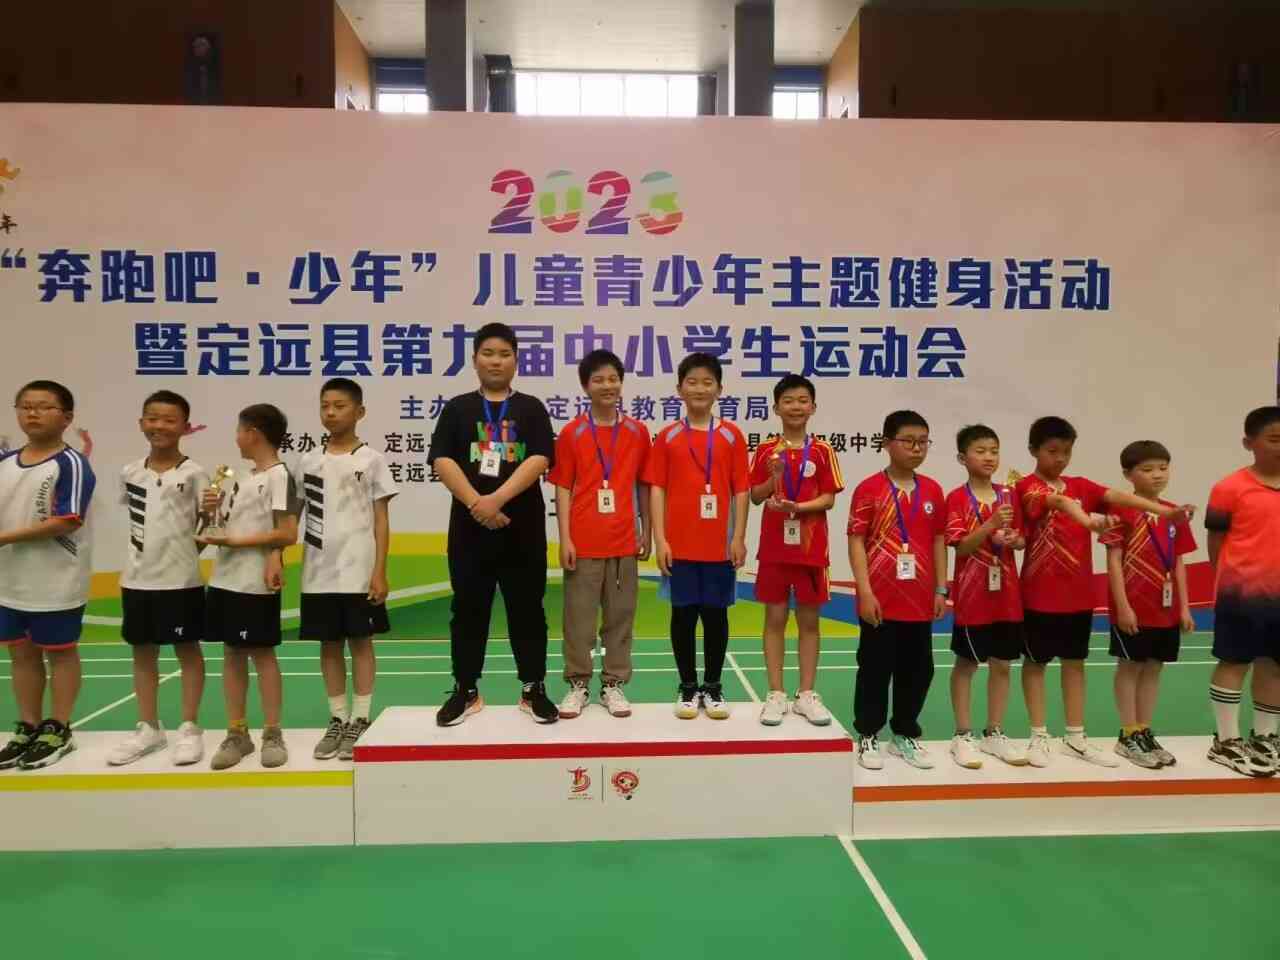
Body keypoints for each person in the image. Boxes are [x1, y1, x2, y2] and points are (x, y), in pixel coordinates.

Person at [1017, 416, 1193, 767]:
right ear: (1034, 450)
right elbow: (1060, 503)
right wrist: (1088, 521)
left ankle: (1075, 737)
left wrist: (1165, 510)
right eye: (1052, 451)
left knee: (1075, 664)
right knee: (1035, 664)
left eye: (1066, 452)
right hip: (1038, 594)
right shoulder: (1025, 487)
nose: (1060, 458)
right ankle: (1038, 735)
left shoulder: (1082, 485)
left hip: (1079, 595)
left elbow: (1119, 496)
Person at [428, 323, 558, 726]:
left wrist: (496, 500)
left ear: (516, 361)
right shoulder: (457, 408)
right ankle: (465, 689)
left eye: (504, 354)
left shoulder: (532, 408)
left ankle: (533, 688)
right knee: (468, 610)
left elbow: (540, 458)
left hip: (523, 531)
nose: (496, 361)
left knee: (528, 610)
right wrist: (477, 504)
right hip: (469, 532)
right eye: (488, 353)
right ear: (474, 360)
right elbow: (442, 460)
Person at [107, 390, 209, 767]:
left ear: (185, 427)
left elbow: (207, 527)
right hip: (137, 580)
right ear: (141, 423)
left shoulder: (195, 473)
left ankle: (190, 728)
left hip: (182, 582)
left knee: (188, 652)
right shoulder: (130, 472)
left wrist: (183, 554)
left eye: (169, 420)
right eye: (152, 418)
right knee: (142, 653)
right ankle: (149, 728)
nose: (159, 425)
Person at [645, 352, 749, 720]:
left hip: (719, 546)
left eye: (708, 382)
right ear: (679, 389)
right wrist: (660, 540)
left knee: (716, 617)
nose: (700, 388)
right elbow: (656, 489)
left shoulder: (732, 436)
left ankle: (714, 686)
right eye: (692, 382)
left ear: (720, 389)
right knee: (683, 617)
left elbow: (741, 490)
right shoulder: (668, 437)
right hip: (680, 545)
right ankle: (688, 686)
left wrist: (738, 537)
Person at [298, 378, 397, 761]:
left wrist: (379, 570)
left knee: (361, 643)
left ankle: (361, 718)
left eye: (339, 406)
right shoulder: (308, 461)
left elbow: (381, 520)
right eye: (325, 406)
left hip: (359, 572)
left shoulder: (371, 460)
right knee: (329, 645)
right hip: (317, 574)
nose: (331, 413)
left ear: (360, 412)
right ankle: (338, 718)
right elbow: (292, 515)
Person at [0, 380, 96, 770]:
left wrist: (4, 537)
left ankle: (58, 729)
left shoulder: (71, 464)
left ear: (67, 417)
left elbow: (68, 520)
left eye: (43, 406)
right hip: (9, 579)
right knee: (20, 654)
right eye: (25, 406)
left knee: (60, 654)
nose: (32, 413)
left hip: (56, 580)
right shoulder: (5, 462)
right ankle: (27, 726)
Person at [551, 350, 651, 720]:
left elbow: (644, 484)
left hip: (624, 541)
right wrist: (565, 538)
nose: (607, 385)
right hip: (584, 541)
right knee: (578, 621)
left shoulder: (637, 432)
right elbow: (563, 486)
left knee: (620, 618)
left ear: (621, 383)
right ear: (585, 386)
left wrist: (646, 531)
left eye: (613, 379)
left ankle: (614, 684)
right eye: (598, 380)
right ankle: (578, 683)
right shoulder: (572, 433)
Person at [198, 404, 298, 770]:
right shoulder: (241, 477)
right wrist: (210, 511)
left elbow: (287, 532)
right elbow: (225, 527)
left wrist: (242, 545)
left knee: (262, 655)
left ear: (253, 433)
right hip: (224, 577)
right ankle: (237, 732)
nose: (236, 438)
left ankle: (273, 732)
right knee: (231, 653)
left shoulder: (280, 476)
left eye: (239, 431)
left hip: (255, 581)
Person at [848, 411, 947, 770]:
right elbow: (856, 542)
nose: (916, 448)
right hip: (880, 600)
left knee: (918, 671)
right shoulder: (869, 489)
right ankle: (868, 735)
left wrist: (941, 588)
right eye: (908, 441)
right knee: (874, 670)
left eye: (923, 442)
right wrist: (864, 591)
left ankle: (904, 733)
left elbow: (939, 540)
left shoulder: (933, 490)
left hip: (920, 601)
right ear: (887, 443)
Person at [747, 374, 842, 727]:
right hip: (774, 550)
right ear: (776, 408)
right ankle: (775, 693)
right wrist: (773, 477)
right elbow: (755, 496)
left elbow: (829, 499)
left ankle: (805, 694)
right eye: (788, 401)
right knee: (774, 620)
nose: (796, 407)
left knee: (809, 623)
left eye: (803, 400)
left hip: (811, 551)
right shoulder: (765, 450)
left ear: (813, 407)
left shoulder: (823, 450)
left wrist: (797, 508)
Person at [1100, 441, 1197, 769]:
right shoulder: (1120, 511)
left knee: (1154, 667)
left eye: (1163, 468)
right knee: (1130, 666)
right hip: (1133, 608)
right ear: (1128, 475)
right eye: (1147, 469)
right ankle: (1127, 734)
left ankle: (1143, 730)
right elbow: (1114, 561)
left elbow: (1179, 563)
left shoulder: (1174, 514)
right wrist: (1123, 607)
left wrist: (1184, 607)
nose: (1157, 475)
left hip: (1165, 609)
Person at [945, 425, 1028, 768]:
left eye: (994, 450)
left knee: (1002, 665)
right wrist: (991, 524)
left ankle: (994, 732)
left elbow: (1021, 540)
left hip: (1006, 595)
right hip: (972, 596)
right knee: (966, 664)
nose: (989, 457)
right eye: (980, 451)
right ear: (962, 458)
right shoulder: (956, 498)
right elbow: (962, 546)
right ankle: (962, 734)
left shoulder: (1009, 495)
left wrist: (1013, 539)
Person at [1204, 406, 1280, 777]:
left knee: (1274, 664)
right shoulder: (1228, 488)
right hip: (1241, 594)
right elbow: (1216, 541)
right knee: (1234, 662)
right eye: (1274, 439)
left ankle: (1265, 737)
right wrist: (1229, 581)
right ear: (1248, 443)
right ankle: (1226, 741)